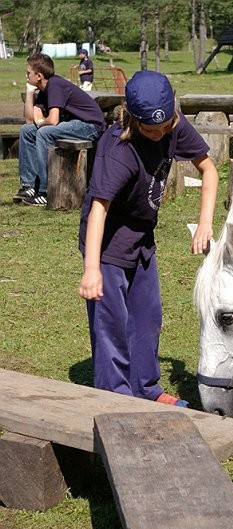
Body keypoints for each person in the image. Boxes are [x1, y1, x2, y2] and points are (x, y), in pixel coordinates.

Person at [78, 70, 218, 407]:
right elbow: (98, 208)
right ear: (132, 118)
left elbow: (209, 169)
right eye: (149, 130)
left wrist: (205, 223)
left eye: (164, 127)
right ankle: (118, 398)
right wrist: (91, 269)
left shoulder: (174, 124)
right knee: (112, 323)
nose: (159, 135)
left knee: (147, 316)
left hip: (141, 237)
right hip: (107, 244)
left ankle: (146, 389)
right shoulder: (118, 150)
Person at [13, 53, 106, 206]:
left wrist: (42, 122)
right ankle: (29, 186)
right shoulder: (44, 90)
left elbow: (53, 120)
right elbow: (30, 121)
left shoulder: (55, 85)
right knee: (26, 131)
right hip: (73, 124)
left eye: (28, 73)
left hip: (89, 125)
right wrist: (30, 92)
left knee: (43, 133)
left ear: (39, 76)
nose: (26, 75)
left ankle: (44, 191)